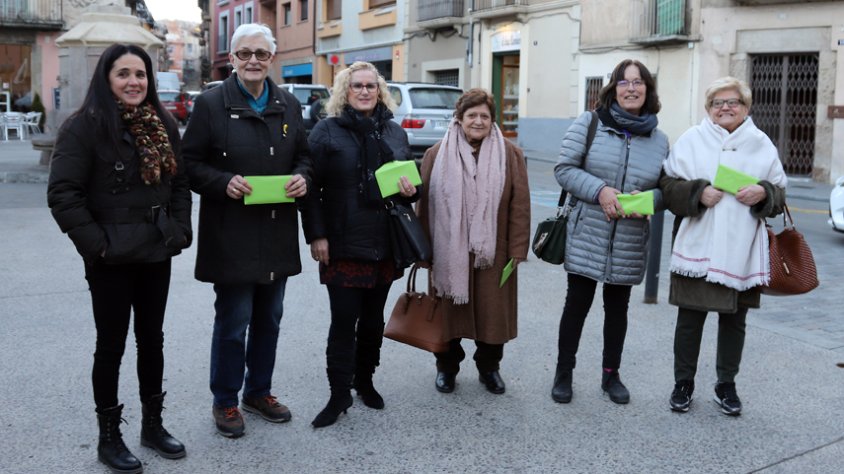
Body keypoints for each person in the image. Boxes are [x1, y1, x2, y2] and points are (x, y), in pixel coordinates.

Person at [47, 43, 191, 473]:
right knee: (110, 346)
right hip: (110, 255)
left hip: (154, 249)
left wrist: (180, 229)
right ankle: (108, 437)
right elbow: (63, 194)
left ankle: (152, 425)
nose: (134, 82)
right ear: (106, 79)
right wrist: (97, 245)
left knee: (153, 340)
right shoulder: (84, 127)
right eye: (124, 74)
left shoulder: (163, 122)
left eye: (141, 74)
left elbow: (179, 183)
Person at [181, 23, 311, 438]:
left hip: (276, 232)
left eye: (261, 53)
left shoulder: (289, 104)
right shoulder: (211, 103)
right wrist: (222, 182)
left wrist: (303, 177)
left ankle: (259, 392)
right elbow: (189, 164)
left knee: (270, 319)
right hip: (231, 232)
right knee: (234, 320)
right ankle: (225, 400)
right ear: (232, 59)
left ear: (272, 59)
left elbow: (305, 158)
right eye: (244, 53)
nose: (253, 60)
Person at [661, 77, 786, 416]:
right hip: (697, 245)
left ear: (746, 108)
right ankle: (683, 382)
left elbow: (779, 195)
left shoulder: (762, 144)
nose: (725, 108)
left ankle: (726, 384)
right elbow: (667, 184)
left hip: (741, 249)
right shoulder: (691, 139)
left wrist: (764, 192)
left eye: (733, 102)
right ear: (708, 108)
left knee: (734, 320)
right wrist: (697, 192)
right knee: (689, 318)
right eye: (718, 103)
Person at [301, 61, 417, 428]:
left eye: (371, 86)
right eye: (357, 86)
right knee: (342, 323)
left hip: (384, 242)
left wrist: (414, 190)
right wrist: (316, 235)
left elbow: (411, 179)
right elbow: (310, 190)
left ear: (379, 91)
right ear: (344, 92)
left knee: (371, 322)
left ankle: (364, 381)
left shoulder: (395, 132)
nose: (364, 91)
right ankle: (338, 395)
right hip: (342, 242)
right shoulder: (326, 132)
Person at [551, 59, 669, 405]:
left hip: (630, 237)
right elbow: (564, 168)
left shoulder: (660, 139)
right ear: (612, 89)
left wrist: (646, 201)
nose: (631, 88)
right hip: (588, 231)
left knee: (618, 310)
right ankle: (563, 373)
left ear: (648, 90)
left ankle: (610, 375)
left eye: (638, 82)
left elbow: (667, 190)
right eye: (623, 82)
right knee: (577, 306)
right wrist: (600, 191)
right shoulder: (590, 123)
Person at [415, 88, 531, 395]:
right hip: (448, 252)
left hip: (494, 251)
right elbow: (425, 207)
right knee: (448, 314)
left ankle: (489, 368)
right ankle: (446, 369)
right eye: (471, 115)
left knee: (494, 317)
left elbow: (520, 206)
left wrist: (518, 250)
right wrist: (423, 251)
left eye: (484, 116)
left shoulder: (510, 154)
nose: (478, 121)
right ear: (459, 118)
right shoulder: (436, 155)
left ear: (492, 120)